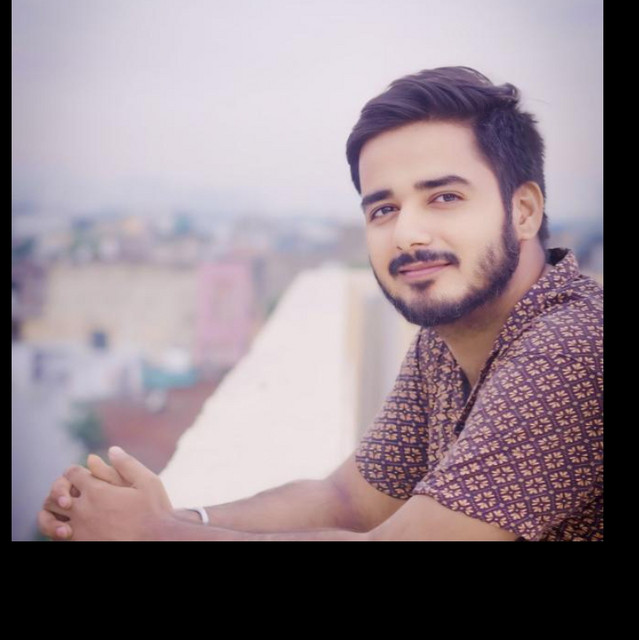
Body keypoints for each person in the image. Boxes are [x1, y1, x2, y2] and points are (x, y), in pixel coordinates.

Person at [37, 66, 603, 541]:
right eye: (383, 209)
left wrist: (154, 534)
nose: (407, 234)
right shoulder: (450, 338)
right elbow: (348, 501)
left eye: (445, 197)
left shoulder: (573, 346)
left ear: (524, 210)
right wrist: (167, 519)